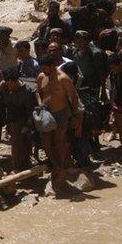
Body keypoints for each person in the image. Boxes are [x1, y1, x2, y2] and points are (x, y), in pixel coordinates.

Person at [36, 54, 80, 193]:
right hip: (46, 113)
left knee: (59, 141)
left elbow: (74, 97)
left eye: (45, 68)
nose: (44, 71)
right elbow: (37, 93)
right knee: (46, 142)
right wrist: (40, 104)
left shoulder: (64, 79)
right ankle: (54, 165)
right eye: (42, 68)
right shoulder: (41, 77)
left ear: (52, 66)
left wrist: (74, 116)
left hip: (61, 112)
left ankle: (60, 167)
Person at [0, 67, 38, 171]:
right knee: (16, 142)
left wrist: (27, 125)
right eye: (7, 84)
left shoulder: (27, 91)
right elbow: (5, 104)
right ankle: (18, 166)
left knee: (25, 142)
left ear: (15, 81)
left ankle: (25, 165)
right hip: (13, 117)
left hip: (25, 117)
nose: (9, 86)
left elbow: (31, 110)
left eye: (10, 84)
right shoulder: (5, 87)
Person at [71, 30, 107, 100]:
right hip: (80, 84)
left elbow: (101, 73)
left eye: (80, 40)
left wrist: (103, 90)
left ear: (87, 41)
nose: (78, 42)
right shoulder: (75, 52)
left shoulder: (95, 54)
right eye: (76, 39)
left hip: (92, 85)